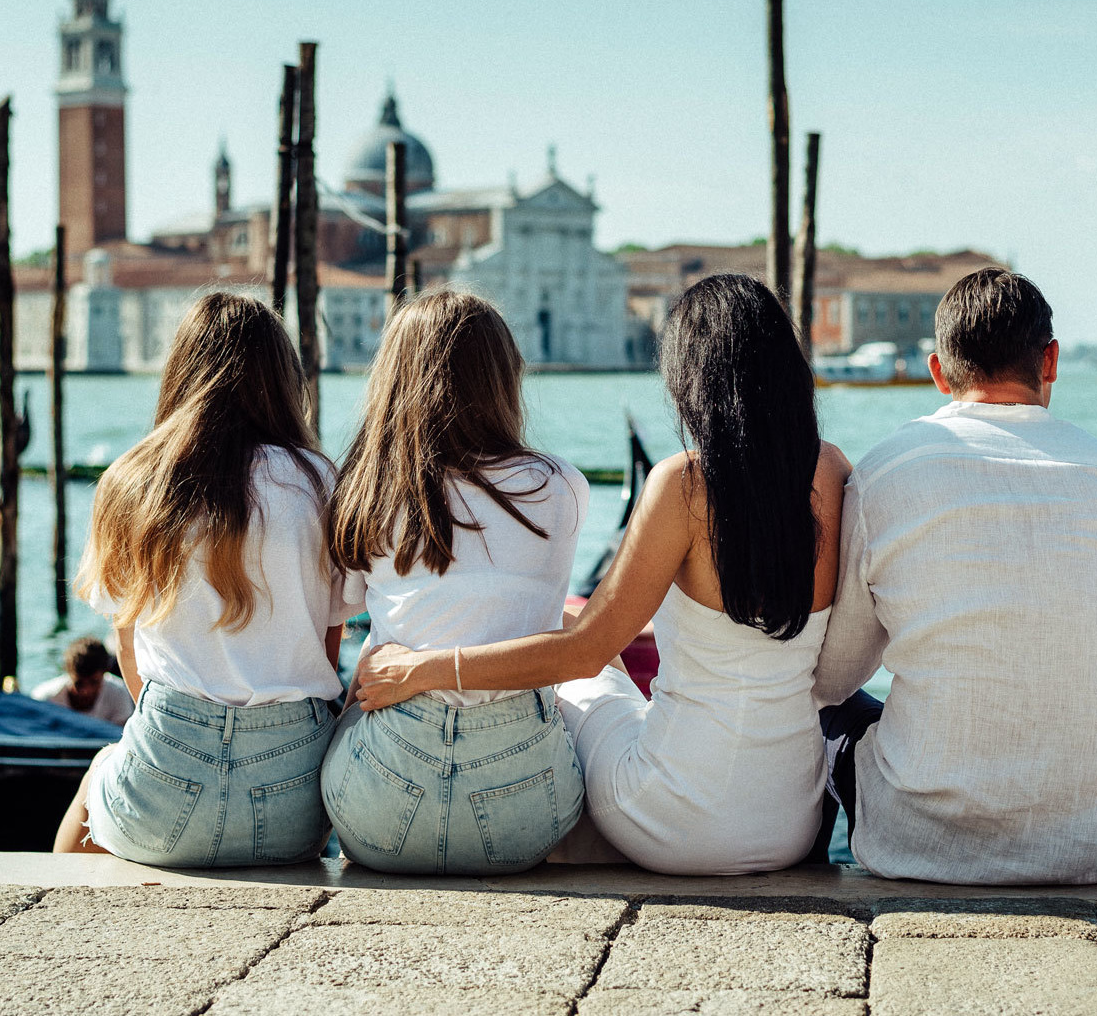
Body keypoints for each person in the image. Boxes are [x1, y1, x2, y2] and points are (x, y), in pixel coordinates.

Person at [356, 274, 850, 874]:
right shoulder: (831, 470)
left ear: (691, 378)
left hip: (670, 819)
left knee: (585, 679)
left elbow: (585, 654)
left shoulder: (682, 485)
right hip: (789, 823)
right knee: (576, 632)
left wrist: (422, 669)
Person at [814, 268, 1097, 885]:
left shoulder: (885, 473)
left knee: (827, 711)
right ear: (1051, 360)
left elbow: (838, 674)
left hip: (924, 841)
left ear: (938, 372)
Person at [52, 292, 343, 866]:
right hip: (295, 800)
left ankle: (51, 917)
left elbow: (129, 651)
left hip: (164, 781)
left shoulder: (132, 482)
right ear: (283, 380)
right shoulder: (320, 482)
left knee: (97, 779)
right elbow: (327, 651)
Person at [322, 290, 587, 875]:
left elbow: (337, 631)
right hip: (525, 816)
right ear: (503, 378)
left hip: (380, 812)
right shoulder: (562, 486)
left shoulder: (366, 492)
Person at [31, 636, 134, 727]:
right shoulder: (44, 698)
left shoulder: (119, 694)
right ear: (68, 674)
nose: (86, 691)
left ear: (105, 673)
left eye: (94, 682)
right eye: (78, 683)